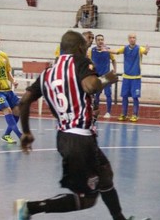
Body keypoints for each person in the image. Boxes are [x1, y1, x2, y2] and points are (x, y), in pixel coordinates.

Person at [14, 31, 148, 220]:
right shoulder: (80, 62)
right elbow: (91, 86)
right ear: (79, 48)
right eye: (85, 47)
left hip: (65, 137)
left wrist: (26, 132)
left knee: (105, 173)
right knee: (87, 199)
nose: (87, 51)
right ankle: (29, 208)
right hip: (80, 140)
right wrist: (107, 79)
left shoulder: (46, 74)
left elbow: (24, 101)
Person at [109, 33, 150, 122]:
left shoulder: (139, 48)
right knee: (124, 96)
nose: (132, 39)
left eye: (134, 38)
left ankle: (135, 114)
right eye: (131, 38)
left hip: (136, 78)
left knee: (135, 97)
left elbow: (145, 52)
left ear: (136, 39)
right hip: (126, 77)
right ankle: (124, 114)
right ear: (128, 39)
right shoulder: (125, 48)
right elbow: (116, 51)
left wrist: (147, 50)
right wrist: (106, 49)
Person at [88, 34, 117, 119]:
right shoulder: (91, 51)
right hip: (97, 77)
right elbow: (89, 62)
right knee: (96, 95)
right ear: (96, 41)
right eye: (99, 40)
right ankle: (95, 111)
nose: (100, 41)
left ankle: (108, 112)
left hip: (106, 77)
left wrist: (115, 70)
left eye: (102, 39)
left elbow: (114, 60)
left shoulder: (108, 50)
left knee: (108, 94)